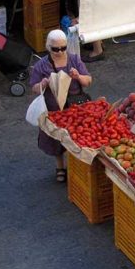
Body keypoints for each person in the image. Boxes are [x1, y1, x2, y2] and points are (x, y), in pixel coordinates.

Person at [28, 30, 92, 182]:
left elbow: (88, 80)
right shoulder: (41, 65)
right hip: (54, 110)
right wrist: (42, 84)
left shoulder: (75, 59)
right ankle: (60, 166)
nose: (60, 52)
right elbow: (34, 88)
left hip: (75, 107)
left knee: (78, 138)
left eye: (63, 48)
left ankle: (77, 166)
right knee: (56, 140)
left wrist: (78, 76)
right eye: (55, 49)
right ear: (48, 47)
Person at [42, 0, 108, 62]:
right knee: (82, 17)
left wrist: (77, 19)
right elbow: (65, 5)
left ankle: (98, 51)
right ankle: (98, 42)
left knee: (87, 19)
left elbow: (83, 9)